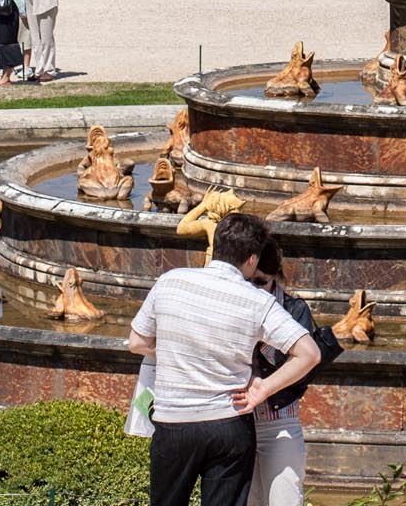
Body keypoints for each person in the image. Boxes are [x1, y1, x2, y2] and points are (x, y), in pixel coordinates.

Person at [128, 213, 319, 506]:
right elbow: (310, 353)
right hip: (228, 424)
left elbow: (137, 342)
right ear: (252, 259)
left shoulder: (170, 281)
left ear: (215, 246)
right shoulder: (257, 300)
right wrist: (263, 389)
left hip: (174, 420)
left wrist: (172, 349)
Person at [247, 240, 315, 506]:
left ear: (275, 276)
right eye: (248, 282)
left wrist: (264, 334)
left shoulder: (294, 310)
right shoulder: (235, 305)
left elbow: (303, 368)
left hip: (279, 422)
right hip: (238, 421)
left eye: (260, 282)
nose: (254, 290)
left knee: (284, 498)